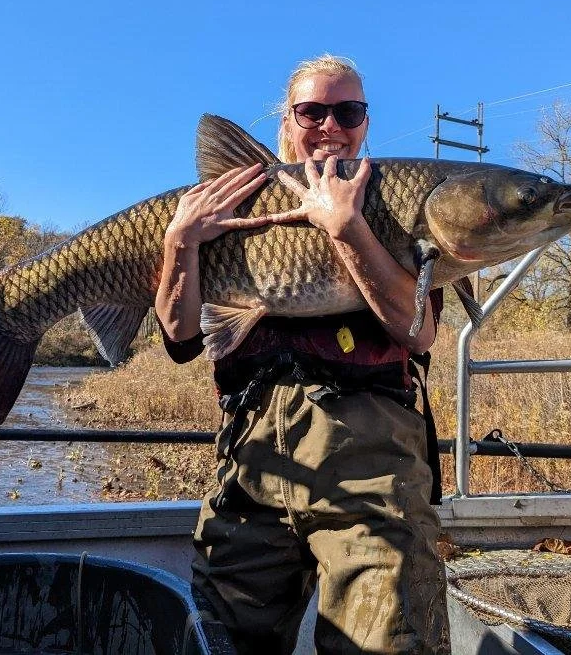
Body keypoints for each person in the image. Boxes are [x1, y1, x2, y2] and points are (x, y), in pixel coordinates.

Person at [154, 54, 449, 654]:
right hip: (250, 464)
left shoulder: (400, 205)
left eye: (349, 112)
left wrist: (347, 227)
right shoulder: (225, 201)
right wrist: (179, 241)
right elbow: (181, 337)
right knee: (221, 642)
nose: (330, 125)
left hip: (372, 466)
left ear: (366, 123)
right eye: (313, 111)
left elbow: (416, 333)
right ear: (286, 121)